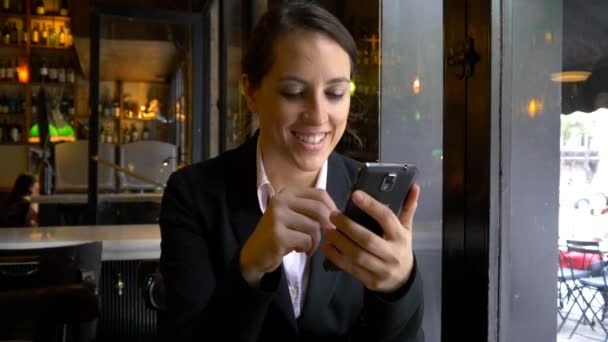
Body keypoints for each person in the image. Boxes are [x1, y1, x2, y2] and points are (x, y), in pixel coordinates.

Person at [159, 2, 423, 341]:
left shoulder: (366, 196)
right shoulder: (193, 195)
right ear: (251, 92)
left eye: (336, 93)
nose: (318, 114)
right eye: (294, 92)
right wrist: (251, 266)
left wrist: (398, 287)